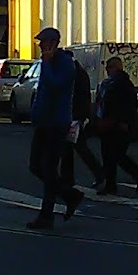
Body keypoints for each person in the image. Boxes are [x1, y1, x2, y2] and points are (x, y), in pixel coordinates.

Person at [25, 30, 87, 230]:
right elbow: (42, 91)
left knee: (49, 169)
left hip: (57, 122)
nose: (41, 47)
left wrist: (47, 62)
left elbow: (54, 86)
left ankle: (46, 215)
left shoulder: (65, 64)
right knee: (36, 166)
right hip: (44, 121)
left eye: (43, 43)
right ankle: (70, 195)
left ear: (53, 43)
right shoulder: (48, 62)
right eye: (40, 44)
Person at [92, 55, 138, 195]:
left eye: (109, 68)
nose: (107, 71)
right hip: (107, 123)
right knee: (109, 156)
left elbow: (129, 105)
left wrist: (124, 121)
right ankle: (111, 184)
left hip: (118, 124)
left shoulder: (123, 83)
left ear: (117, 67)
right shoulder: (107, 83)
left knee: (117, 155)